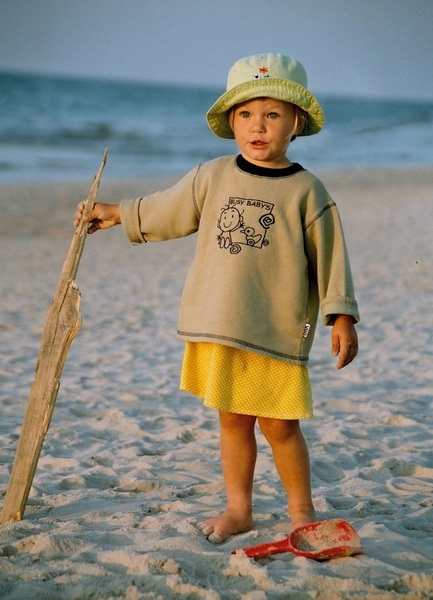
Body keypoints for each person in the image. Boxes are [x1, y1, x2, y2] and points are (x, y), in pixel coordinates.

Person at [74, 53, 359, 544]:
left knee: (280, 426)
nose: (259, 126)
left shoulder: (308, 192)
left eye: (272, 115)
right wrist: (118, 212)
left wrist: (341, 317)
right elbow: (168, 208)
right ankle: (239, 509)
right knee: (233, 421)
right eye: (247, 114)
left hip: (276, 327)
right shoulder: (213, 176)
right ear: (231, 121)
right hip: (222, 322)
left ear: (296, 123)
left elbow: (332, 259)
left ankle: (299, 509)